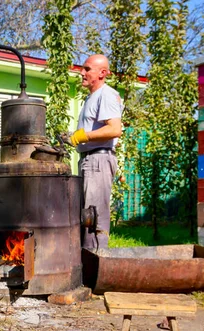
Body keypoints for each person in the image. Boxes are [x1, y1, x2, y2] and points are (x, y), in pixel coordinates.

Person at [64, 54, 122, 249]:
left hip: (98, 160)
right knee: (86, 216)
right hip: (90, 159)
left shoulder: (106, 94)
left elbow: (115, 129)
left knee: (94, 217)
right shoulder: (92, 97)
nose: (82, 72)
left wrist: (83, 136)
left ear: (102, 73)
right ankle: (86, 264)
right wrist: (73, 136)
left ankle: (97, 266)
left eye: (87, 69)